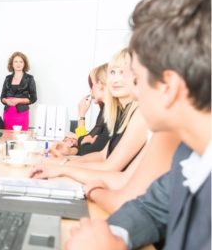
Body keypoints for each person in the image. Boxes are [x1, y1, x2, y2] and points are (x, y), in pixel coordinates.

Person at [60, 0, 210, 250]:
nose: (135, 93)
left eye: (137, 80)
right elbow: (151, 207)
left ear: (168, 88)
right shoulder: (191, 152)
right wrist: (106, 241)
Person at [31, 48, 148, 177]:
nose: (115, 79)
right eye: (113, 72)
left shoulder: (136, 114)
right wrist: (63, 160)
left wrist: (62, 165)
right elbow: (101, 154)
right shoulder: (115, 113)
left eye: (122, 72)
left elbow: (96, 154)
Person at [49, 63, 109, 157]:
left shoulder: (112, 114)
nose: (91, 90)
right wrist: (69, 151)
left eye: (93, 84)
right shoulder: (104, 111)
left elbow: (88, 149)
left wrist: (81, 115)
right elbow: (84, 142)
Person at [0, 51, 37, 131]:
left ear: (24, 64)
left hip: (21, 113)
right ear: (12, 64)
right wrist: (6, 101)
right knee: (7, 138)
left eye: (21, 61)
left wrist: (19, 100)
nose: (18, 64)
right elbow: (2, 97)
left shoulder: (29, 78)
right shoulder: (7, 78)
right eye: (16, 61)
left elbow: (33, 98)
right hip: (8, 113)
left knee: (20, 139)